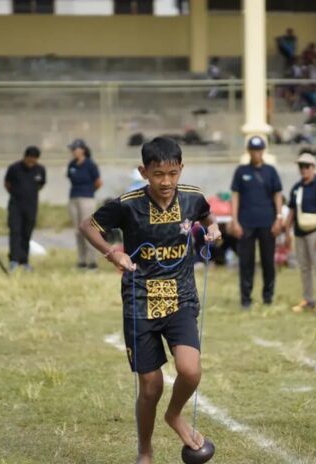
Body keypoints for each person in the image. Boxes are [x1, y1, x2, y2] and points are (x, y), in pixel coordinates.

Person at [80, 137, 221, 464]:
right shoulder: (127, 204)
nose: (166, 181)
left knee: (190, 370)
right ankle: (145, 450)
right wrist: (113, 252)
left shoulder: (192, 197)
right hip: (140, 301)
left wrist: (213, 230)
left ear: (181, 169)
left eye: (172, 173)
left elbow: (207, 216)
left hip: (181, 297)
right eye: (158, 174)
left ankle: (174, 415)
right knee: (151, 386)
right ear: (144, 172)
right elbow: (88, 226)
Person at [230, 136, 284, 309]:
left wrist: (279, 218)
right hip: (246, 223)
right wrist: (234, 220)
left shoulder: (271, 171)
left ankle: (268, 297)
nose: (256, 153)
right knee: (246, 262)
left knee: (268, 261)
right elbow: (235, 196)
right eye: (253, 150)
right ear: (249, 151)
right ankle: (246, 299)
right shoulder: (241, 171)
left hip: (268, 222)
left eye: (259, 150)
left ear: (263, 151)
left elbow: (278, 195)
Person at [285, 152, 316, 315]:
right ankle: (308, 299)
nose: (303, 169)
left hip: (315, 232)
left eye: (306, 166)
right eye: (301, 166)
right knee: (304, 267)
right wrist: (287, 231)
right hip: (299, 233)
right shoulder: (297, 188)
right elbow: (291, 211)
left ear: (313, 167)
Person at [4, 145, 46, 271]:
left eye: (34, 160)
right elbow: (7, 184)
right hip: (16, 206)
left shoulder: (40, 170)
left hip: (31, 206)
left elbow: (41, 184)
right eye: (30, 159)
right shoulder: (14, 168)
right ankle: (14, 260)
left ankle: (24, 260)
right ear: (25, 157)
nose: (31, 163)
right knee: (15, 232)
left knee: (27, 233)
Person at [67, 139, 102, 270]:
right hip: (73, 198)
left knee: (88, 229)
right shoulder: (72, 164)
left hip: (86, 198)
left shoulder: (90, 165)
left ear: (82, 150)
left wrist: (89, 192)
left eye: (75, 149)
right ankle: (81, 260)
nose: (73, 152)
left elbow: (98, 182)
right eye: (72, 149)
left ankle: (92, 261)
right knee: (78, 230)